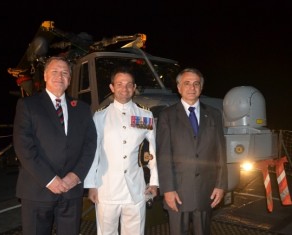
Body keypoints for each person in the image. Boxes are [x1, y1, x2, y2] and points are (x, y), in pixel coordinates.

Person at [13, 56, 97, 235]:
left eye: (65, 73)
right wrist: (50, 179)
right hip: (38, 190)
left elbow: (90, 146)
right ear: (44, 76)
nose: (60, 76)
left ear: (70, 79)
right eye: (55, 72)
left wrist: (75, 176)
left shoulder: (82, 108)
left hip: (71, 191)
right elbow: (24, 147)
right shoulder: (28, 105)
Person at [84, 66, 159, 235]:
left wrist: (154, 182)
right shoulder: (100, 116)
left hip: (136, 189)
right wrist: (91, 185)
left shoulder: (144, 115)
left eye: (129, 84)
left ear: (134, 88)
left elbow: (152, 149)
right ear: (112, 87)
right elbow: (93, 152)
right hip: (106, 189)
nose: (124, 88)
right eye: (119, 84)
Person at [156, 68, 228, 235]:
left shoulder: (214, 114)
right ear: (179, 87)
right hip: (178, 191)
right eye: (187, 83)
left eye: (196, 84)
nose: (192, 87)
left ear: (201, 88)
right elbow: (164, 156)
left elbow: (220, 153)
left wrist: (221, 185)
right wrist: (167, 189)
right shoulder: (167, 115)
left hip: (206, 190)